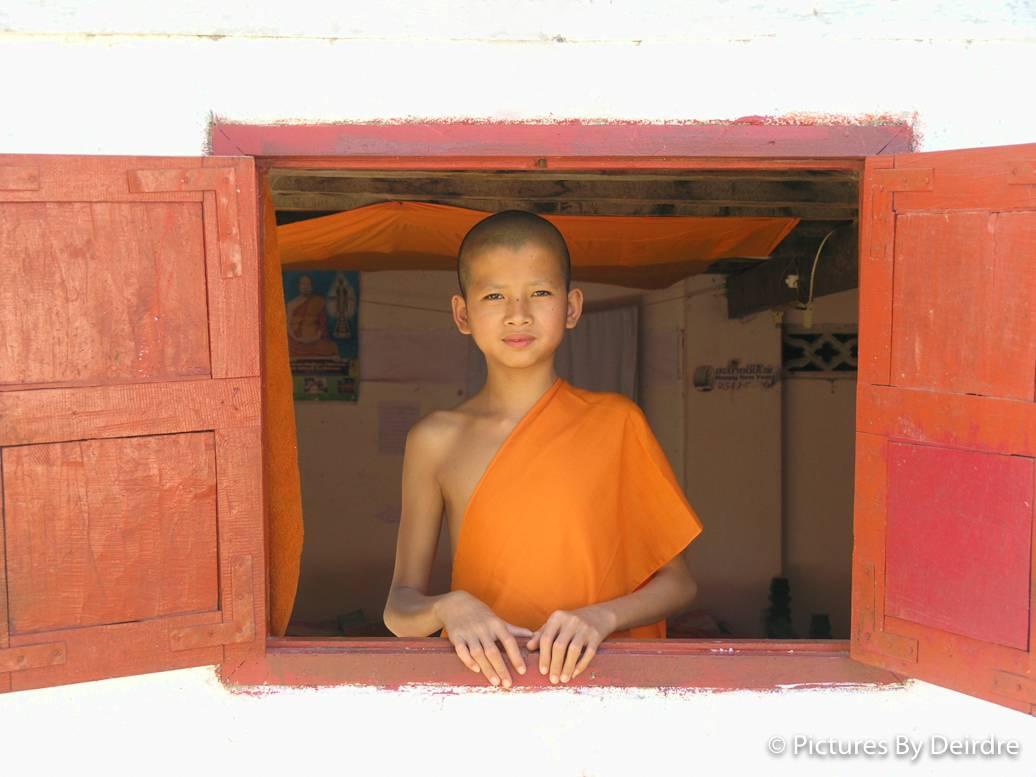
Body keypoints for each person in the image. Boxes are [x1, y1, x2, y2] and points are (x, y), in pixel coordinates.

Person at [383, 210, 703, 688]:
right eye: (494, 296)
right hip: (489, 684)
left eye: (540, 293)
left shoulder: (616, 422)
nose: (519, 314)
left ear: (572, 307)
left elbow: (679, 583)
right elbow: (399, 607)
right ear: (462, 314)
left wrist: (601, 617)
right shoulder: (435, 440)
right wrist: (449, 606)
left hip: (604, 682)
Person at [285, 274, 339, 358]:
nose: (305, 287)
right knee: (286, 347)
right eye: (303, 284)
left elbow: (322, 324)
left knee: (332, 347)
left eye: (308, 284)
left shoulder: (319, 302)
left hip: (315, 340)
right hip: (296, 341)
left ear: (311, 286)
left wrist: (315, 338)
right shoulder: (291, 304)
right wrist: (297, 339)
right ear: (299, 286)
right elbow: (287, 325)